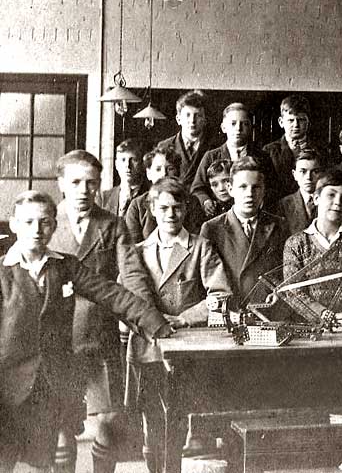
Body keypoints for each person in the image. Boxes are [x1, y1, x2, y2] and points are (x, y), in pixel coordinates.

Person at [0, 191, 171, 473]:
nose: (37, 230)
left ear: (55, 226)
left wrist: (157, 323)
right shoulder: (2, 272)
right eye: (28, 222)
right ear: (14, 225)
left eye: (45, 222)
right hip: (7, 387)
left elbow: (111, 294)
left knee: (42, 463)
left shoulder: (65, 266)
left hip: (50, 385)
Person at [120, 178, 231, 473]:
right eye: (164, 208)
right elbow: (122, 300)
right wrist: (145, 322)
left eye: (177, 207)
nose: (171, 214)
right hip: (145, 347)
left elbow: (220, 294)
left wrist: (183, 318)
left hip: (185, 349)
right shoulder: (137, 251)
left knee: (176, 421)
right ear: (153, 210)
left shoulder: (200, 247)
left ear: (185, 210)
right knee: (150, 421)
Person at [49, 150, 144, 473]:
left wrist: (145, 319)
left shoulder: (113, 225)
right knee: (61, 423)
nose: (84, 190)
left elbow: (132, 277)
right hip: (55, 337)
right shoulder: (45, 222)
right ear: (61, 184)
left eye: (91, 183)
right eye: (75, 182)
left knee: (110, 420)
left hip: (100, 335)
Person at [199, 158, 288, 310]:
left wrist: (280, 292)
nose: (250, 194)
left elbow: (287, 272)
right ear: (230, 188)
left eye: (256, 187)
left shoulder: (279, 225)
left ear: (264, 189)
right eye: (242, 187)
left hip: (267, 311)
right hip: (230, 312)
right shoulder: (212, 229)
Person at [281, 171, 342, 324]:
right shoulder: (296, 243)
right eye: (331, 195)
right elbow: (292, 291)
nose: (338, 202)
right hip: (306, 328)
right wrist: (326, 314)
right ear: (316, 198)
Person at [192, 103, 278, 216]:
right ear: (224, 127)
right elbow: (197, 188)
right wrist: (206, 201)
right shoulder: (211, 156)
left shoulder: (262, 157)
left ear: (250, 127)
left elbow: (274, 187)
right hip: (220, 214)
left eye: (244, 124)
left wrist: (261, 200)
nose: (238, 128)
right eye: (233, 124)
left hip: (253, 213)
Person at [124, 148, 204, 243]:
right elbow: (133, 246)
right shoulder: (137, 205)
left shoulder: (191, 202)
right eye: (158, 169)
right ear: (149, 173)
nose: (164, 174)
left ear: (177, 172)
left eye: (170, 169)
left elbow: (195, 241)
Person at [156, 90, 213, 189]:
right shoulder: (164, 146)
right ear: (178, 119)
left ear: (205, 120)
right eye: (187, 115)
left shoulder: (214, 147)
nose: (192, 121)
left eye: (198, 115)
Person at [262, 94, 315, 197]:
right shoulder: (269, 151)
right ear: (281, 122)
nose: (296, 125)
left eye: (301, 120)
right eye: (291, 120)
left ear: (308, 122)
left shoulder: (321, 150)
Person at [269, 149, 324, 235]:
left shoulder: (330, 201)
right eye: (303, 171)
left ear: (322, 174)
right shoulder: (283, 205)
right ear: (295, 175)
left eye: (315, 172)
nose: (308, 177)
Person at [96, 138, 148, 219]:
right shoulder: (104, 198)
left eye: (133, 160)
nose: (127, 165)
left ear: (142, 164)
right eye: (123, 160)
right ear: (116, 164)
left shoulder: (150, 196)